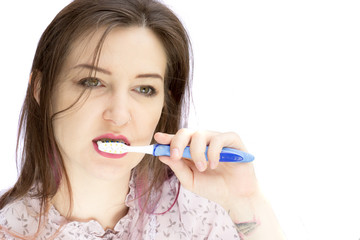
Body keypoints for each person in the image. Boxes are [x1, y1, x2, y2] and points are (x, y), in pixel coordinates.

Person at [0, 0, 285, 239]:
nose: (120, 115)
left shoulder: (202, 218)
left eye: (144, 89)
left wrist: (244, 200)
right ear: (41, 89)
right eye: (92, 82)